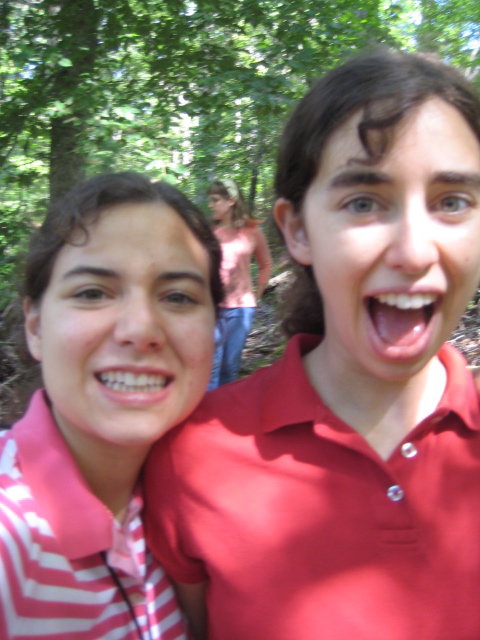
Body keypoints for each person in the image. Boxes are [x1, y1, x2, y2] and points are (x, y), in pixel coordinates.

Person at [144, 48, 480, 640]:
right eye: (363, 202)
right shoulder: (191, 457)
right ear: (297, 229)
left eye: (452, 202)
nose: (413, 251)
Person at [0, 171, 223, 639]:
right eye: (92, 293)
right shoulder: (12, 532)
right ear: (35, 327)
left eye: (178, 297)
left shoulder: (190, 506)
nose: (140, 329)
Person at [206, 178, 272, 389]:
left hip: (242, 309)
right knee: (211, 366)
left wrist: (257, 295)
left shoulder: (252, 232)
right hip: (213, 307)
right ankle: (208, 407)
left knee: (230, 366)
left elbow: (265, 264)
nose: (210, 205)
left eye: (215, 200)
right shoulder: (209, 233)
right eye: (210, 200)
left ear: (231, 200)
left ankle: (225, 406)